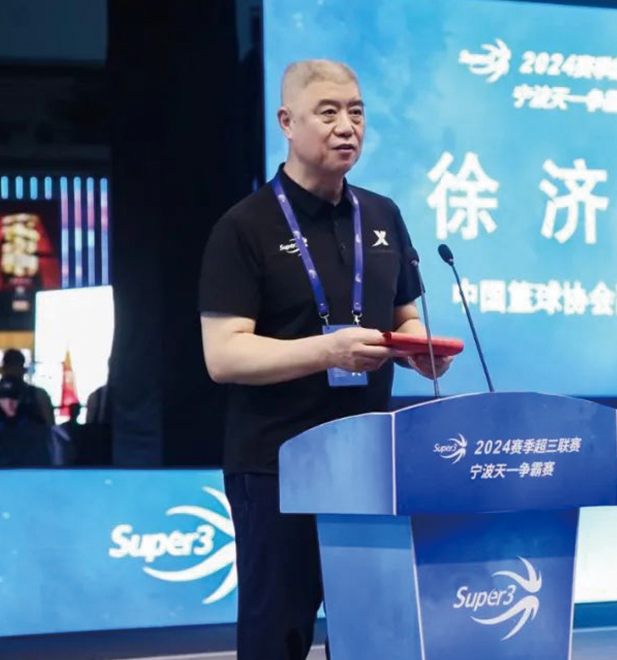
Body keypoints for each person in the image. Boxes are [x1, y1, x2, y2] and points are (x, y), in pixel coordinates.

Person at [198, 60, 452, 660]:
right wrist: (329, 351)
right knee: (277, 632)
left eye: (356, 112)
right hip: (278, 465)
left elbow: (404, 316)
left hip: (371, 461)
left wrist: (419, 351)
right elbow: (224, 355)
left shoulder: (382, 215)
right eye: (328, 112)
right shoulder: (245, 226)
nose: (347, 127)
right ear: (287, 122)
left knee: (372, 635)